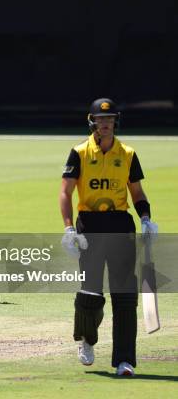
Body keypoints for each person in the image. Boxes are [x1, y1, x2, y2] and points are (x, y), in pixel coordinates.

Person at [59, 98, 158, 376]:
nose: (105, 124)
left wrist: (146, 219)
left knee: (125, 296)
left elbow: (136, 192)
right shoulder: (78, 152)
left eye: (110, 119)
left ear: (115, 122)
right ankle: (86, 339)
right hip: (89, 225)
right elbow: (65, 192)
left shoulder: (127, 153)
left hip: (120, 224)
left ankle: (124, 360)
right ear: (92, 122)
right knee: (90, 292)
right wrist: (68, 228)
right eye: (101, 120)